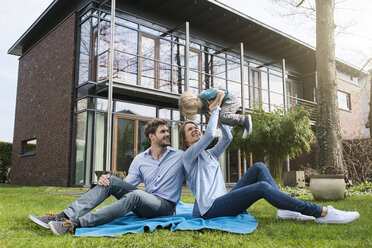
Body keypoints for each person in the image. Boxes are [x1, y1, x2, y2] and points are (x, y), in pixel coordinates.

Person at [178, 96, 360, 225]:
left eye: (196, 127)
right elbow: (210, 134)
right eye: (190, 130)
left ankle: (284, 209)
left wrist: (217, 117)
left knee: (258, 167)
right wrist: (215, 109)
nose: (195, 130)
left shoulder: (209, 154)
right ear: (185, 141)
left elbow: (227, 139)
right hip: (210, 209)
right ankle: (321, 212)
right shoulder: (188, 157)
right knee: (262, 188)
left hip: (224, 200)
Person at [28, 118, 184, 235]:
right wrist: (108, 182)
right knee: (111, 180)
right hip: (145, 204)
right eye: (163, 131)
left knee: (136, 195)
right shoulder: (140, 159)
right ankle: (61, 216)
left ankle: (74, 224)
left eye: (167, 131)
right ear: (152, 136)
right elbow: (128, 185)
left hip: (166, 207)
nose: (167, 134)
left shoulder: (180, 156)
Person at [179, 88, 252, 138]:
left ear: (196, 99)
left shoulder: (205, 95)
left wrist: (215, 105)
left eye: (197, 107)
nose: (199, 109)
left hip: (230, 100)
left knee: (223, 116)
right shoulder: (203, 108)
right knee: (220, 120)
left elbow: (222, 93)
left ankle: (244, 119)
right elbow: (211, 114)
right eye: (197, 110)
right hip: (225, 106)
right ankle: (242, 124)